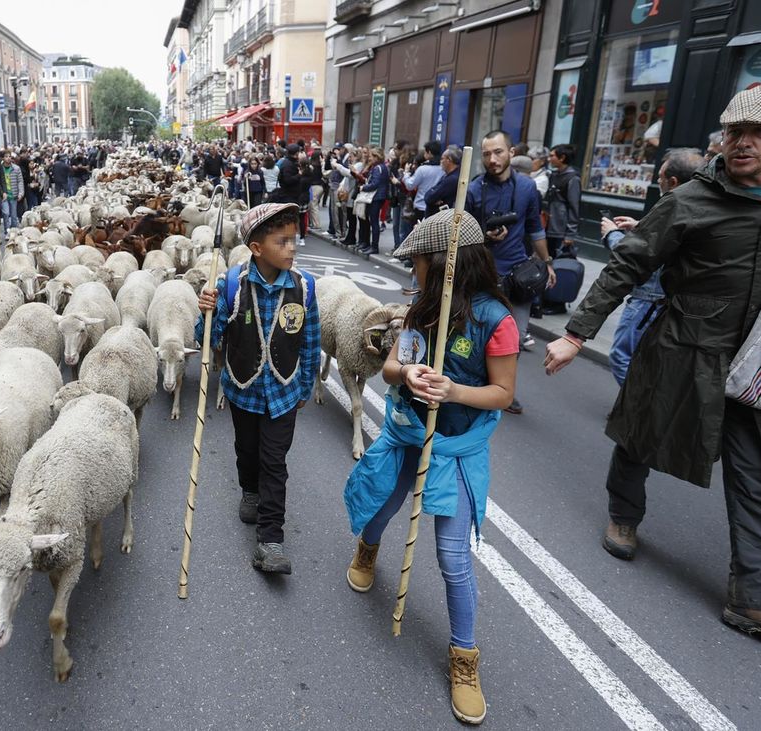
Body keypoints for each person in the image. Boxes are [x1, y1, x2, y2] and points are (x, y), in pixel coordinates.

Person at [543, 84, 761, 650]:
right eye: (733, 132)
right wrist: (576, 334)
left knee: (760, 477)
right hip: (684, 349)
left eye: (757, 132)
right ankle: (623, 514)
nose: (742, 143)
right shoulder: (689, 200)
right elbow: (626, 266)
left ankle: (756, 598)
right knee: (640, 435)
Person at [343, 209, 516, 725]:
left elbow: (503, 394)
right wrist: (408, 373)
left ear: (444, 264)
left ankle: (464, 658)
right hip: (407, 434)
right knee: (381, 506)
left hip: (456, 447)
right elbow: (393, 366)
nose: (411, 271)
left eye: (417, 262)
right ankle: (367, 550)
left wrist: (455, 390)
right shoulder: (419, 310)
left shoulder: (496, 320)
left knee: (452, 556)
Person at [196, 202, 321, 575]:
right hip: (243, 388)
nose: (292, 248)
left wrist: (305, 384)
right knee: (247, 453)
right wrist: (206, 312)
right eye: (282, 242)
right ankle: (248, 489)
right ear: (256, 248)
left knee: (274, 462)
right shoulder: (231, 285)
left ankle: (271, 540)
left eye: (294, 240)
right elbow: (208, 339)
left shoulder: (304, 287)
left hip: (283, 391)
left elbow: (310, 338)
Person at [600, 148, 703, 386]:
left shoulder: (673, 206)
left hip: (649, 298)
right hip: (669, 300)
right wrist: (639, 227)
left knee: (622, 354)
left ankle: (638, 409)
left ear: (673, 182)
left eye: (661, 177)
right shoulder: (698, 208)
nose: (657, 181)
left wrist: (611, 236)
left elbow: (643, 256)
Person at [468, 130, 551, 413]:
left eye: (498, 152)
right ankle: (478, 386)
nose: (492, 159)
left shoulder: (528, 188)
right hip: (482, 275)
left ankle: (504, 389)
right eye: (487, 153)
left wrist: (547, 262)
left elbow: (535, 228)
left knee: (514, 338)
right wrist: (485, 236)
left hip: (519, 276)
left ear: (511, 152)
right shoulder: (474, 189)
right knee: (478, 335)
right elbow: (463, 233)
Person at [543, 144, 581, 262]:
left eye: (552, 156)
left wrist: (570, 234)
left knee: (558, 261)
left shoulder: (572, 178)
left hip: (560, 229)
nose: (549, 159)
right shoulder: (554, 175)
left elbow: (574, 206)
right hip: (548, 225)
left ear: (562, 158)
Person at [357, 148, 390, 256]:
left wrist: (364, 188)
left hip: (375, 197)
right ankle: (372, 245)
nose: (369, 158)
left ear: (376, 157)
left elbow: (375, 184)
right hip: (380, 196)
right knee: (374, 221)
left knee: (374, 222)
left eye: (371, 156)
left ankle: (374, 246)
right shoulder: (384, 167)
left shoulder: (377, 168)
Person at [404, 141, 446, 223]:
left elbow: (410, 185)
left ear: (429, 152)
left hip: (420, 206)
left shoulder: (422, 169)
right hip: (436, 208)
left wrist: (406, 174)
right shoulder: (443, 169)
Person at [423, 146, 463, 216]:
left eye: (442, 159)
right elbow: (428, 196)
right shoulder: (446, 176)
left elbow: (429, 198)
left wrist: (433, 196)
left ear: (449, 160)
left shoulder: (452, 179)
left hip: (439, 220)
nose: (440, 161)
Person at [0, 152, 23, 234]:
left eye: (9, 156)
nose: (8, 158)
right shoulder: (0, 168)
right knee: (6, 213)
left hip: (13, 194)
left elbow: (20, 181)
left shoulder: (16, 168)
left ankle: (14, 231)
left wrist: (21, 193)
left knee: (13, 215)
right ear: (3, 158)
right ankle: (7, 231)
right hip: (4, 195)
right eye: (6, 156)